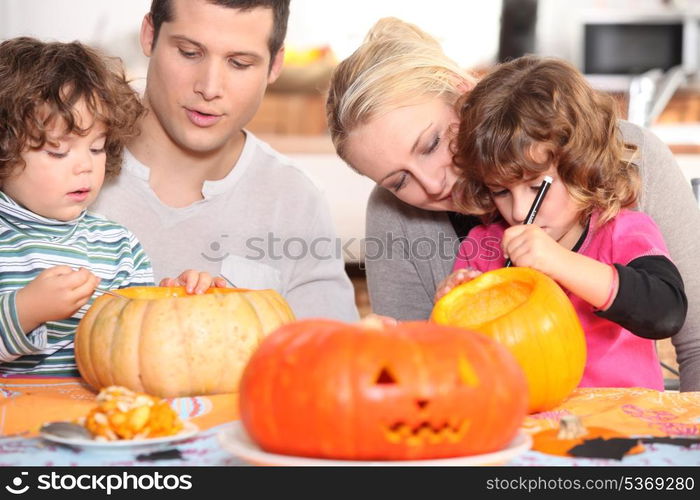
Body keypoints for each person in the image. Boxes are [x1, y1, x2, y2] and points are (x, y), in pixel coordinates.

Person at [326, 17, 700, 391]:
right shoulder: (479, 244)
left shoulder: (622, 198)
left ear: (462, 93)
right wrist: (447, 311)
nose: (434, 184)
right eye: (399, 181)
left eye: (431, 144)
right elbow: (425, 374)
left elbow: (680, 326)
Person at [91, 0, 359, 322]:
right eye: (189, 53)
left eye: (240, 63)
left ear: (275, 65)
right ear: (149, 36)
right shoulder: (58, 166)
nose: (209, 87)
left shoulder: (295, 200)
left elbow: (333, 357)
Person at [438, 55, 687, 389]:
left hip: (622, 424)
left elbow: (665, 312)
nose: (518, 210)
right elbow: (460, 366)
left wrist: (557, 262)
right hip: (527, 425)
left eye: (535, 186)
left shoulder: (623, 231)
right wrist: (453, 309)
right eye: (500, 191)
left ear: (580, 165)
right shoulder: (482, 249)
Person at [0, 37, 220, 376]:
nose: (85, 166)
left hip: (100, 416)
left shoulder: (118, 245)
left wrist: (179, 300)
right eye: (58, 151)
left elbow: (139, 341)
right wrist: (26, 309)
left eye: (97, 148)